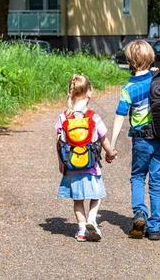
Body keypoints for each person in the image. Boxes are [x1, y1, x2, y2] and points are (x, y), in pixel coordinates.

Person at [109, 40, 160, 241]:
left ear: (129, 61)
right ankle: (154, 227)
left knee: (137, 177)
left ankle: (140, 213)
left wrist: (112, 144)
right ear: (151, 58)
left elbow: (119, 117)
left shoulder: (128, 88)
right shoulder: (159, 79)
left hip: (141, 140)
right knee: (157, 182)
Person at [56, 74, 118, 242]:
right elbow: (103, 139)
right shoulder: (93, 116)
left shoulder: (63, 117)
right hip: (91, 166)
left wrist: (61, 162)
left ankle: (82, 230)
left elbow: (60, 142)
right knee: (96, 196)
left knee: (78, 200)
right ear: (89, 92)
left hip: (71, 166)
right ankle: (92, 218)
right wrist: (110, 153)